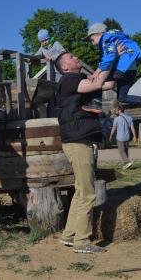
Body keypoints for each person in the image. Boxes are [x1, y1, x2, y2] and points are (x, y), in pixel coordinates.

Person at [54, 51, 113, 253]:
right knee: (88, 193)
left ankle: (69, 235)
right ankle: (82, 242)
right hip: (78, 140)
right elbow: (97, 85)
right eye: (70, 57)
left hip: (78, 139)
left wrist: (109, 67)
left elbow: (106, 84)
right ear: (65, 67)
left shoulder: (76, 81)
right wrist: (110, 56)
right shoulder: (69, 80)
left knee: (81, 190)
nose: (76, 57)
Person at [83, 23, 141, 115]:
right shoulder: (118, 37)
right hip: (131, 69)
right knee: (122, 97)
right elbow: (110, 84)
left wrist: (97, 72)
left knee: (97, 80)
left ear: (99, 33)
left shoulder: (106, 38)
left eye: (92, 39)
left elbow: (109, 57)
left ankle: (96, 104)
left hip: (123, 67)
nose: (93, 43)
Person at [109, 105, 136, 169]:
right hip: (127, 137)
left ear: (120, 110)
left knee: (121, 151)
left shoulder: (116, 119)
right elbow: (132, 128)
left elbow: (114, 128)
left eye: (116, 110)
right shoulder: (129, 118)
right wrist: (134, 136)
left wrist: (111, 135)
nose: (116, 111)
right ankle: (126, 165)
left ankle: (127, 162)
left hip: (120, 138)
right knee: (126, 151)